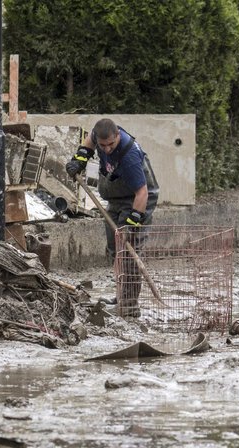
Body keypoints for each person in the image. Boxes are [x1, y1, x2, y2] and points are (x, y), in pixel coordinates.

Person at [65, 118, 159, 318]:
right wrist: (79, 160)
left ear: (118, 136)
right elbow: (88, 142)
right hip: (116, 197)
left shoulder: (130, 156)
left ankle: (130, 306)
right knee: (115, 249)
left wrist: (134, 221)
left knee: (128, 251)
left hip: (137, 199)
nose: (106, 150)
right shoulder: (97, 137)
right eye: (102, 145)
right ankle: (121, 295)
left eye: (111, 145)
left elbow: (142, 193)